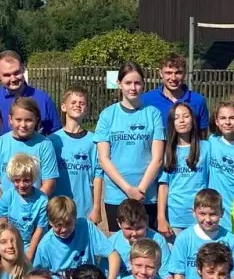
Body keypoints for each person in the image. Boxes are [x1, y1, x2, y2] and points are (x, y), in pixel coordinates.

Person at [95, 63, 165, 226]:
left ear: (143, 85)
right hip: (116, 195)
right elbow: (104, 159)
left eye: (137, 83)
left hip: (146, 195)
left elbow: (157, 159)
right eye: (128, 83)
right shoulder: (107, 115)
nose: (133, 87)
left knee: (146, 247)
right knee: (120, 247)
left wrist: (140, 190)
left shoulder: (153, 113)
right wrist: (128, 189)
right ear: (119, 84)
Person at [165, 189, 234, 279]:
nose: (208, 219)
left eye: (213, 214)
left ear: (221, 213)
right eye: (202, 214)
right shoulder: (184, 238)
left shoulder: (231, 241)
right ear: (194, 212)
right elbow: (179, 276)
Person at [0, 97, 59, 207]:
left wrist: (33, 207)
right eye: (18, 120)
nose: (23, 125)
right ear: (10, 119)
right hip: (6, 209)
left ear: (36, 120)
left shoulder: (45, 145)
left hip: (34, 209)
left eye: (28, 120)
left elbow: (49, 183)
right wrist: (4, 205)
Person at [50, 89, 102, 228]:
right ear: (63, 107)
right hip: (57, 208)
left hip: (84, 208)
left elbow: (98, 175)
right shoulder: (52, 140)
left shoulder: (94, 141)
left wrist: (96, 207)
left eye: (82, 103)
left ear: (86, 109)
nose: (77, 105)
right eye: (73, 102)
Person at [157, 103, 210, 238]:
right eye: (176, 117)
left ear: (193, 119)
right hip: (175, 217)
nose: (181, 120)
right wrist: (161, 217)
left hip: (202, 216)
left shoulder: (206, 147)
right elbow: (163, 186)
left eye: (186, 116)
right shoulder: (168, 151)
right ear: (171, 122)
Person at [0, 51, 63, 135]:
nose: (13, 79)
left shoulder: (43, 99)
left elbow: (56, 136)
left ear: (23, 68)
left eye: (16, 73)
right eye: (7, 75)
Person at [33, 197, 112, 275]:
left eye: (68, 223)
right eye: (58, 225)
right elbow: (38, 276)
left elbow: (112, 254)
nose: (64, 229)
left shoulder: (85, 227)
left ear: (75, 217)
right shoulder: (45, 245)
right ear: (50, 222)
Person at [0, 155, 48, 260]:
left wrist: (29, 255)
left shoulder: (42, 200)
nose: (22, 184)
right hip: (11, 241)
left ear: (33, 179)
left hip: (30, 243)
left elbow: (39, 230)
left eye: (26, 180)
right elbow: (2, 222)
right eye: (17, 180)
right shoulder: (8, 196)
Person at [140, 54, 210, 132]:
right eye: (168, 73)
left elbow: (202, 134)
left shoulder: (198, 101)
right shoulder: (146, 100)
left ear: (185, 74)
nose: (173, 78)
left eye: (178, 73)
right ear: (160, 73)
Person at [206, 102, 234, 236]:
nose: (227, 122)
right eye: (223, 118)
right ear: (216, 121)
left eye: (232, 118)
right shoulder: (212, 141)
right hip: (214, 210)